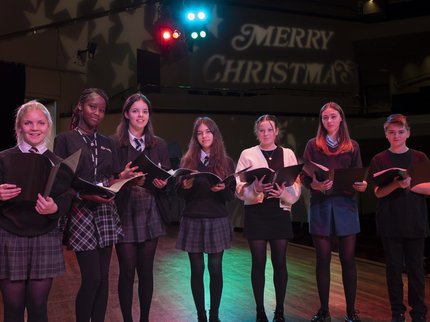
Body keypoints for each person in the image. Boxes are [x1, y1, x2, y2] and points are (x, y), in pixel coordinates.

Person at [54, 88, 123, 322]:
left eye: (102, 110)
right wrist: (84, 195)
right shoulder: (64, 140)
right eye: (93, 107)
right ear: (80, 107)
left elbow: (112, 177)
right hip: (80, 210)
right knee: (92, 278)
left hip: (105, 210)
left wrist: (124, 179)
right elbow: (60, 182)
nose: (97, 112)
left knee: (103, 279)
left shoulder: (107, 142)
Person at [0, 101, 73, 322]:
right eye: (28, 123)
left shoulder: (60, 164)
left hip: (45, 236)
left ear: (48, 127)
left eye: (41, 123)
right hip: (10, 236)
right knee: (12, 308)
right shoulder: (2, 158)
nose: (34, 128)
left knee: (38, 306)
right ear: (19, 126)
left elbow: (67, 198)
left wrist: (55, 207)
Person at [301, 102, 367, 322]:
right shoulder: (313, 145)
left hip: (345, 207)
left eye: (332, 117)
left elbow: (359, 175)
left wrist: (361, 185)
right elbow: (304, 177)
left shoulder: (352, 146)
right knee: (323, 259)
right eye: (325, 118)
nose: (328, 121)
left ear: (341, 119)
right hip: (320, 206)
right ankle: (324, 311)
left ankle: (351, 311)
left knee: (348, 260)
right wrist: (317, 186)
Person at [235, 114, 301, 322]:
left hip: (279, 211)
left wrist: (283, 193)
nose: (266, 133)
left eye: (269, 129)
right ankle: (260, 311)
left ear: (276, 132)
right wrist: (254, 188)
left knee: (280, 262)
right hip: (257, 212)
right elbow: (238, 185)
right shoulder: (248, 154)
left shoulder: (288, 153)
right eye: (262, 130)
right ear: (257, 132)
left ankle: (279, 311)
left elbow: (296, 183)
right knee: (258, 262)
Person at [112, 92, 171, 322]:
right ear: (126, 114)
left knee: (146, 271)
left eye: (145, 111)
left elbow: (167, 178)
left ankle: (144, 319)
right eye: (135, 111)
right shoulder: (115, 144)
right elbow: (109, 179)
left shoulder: (159, 144)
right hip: (125, 209)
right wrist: (122, 176)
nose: (140, 115)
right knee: (127, 271)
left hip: (150, 208)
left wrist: (162, 182)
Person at [367, 114, 429, 322]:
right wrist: (396, 184)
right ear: (386, 134)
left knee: (416, 270)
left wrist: (410, 184)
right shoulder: (379, 159)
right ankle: (397, 312)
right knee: (393, 270)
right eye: (392, 132)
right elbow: (377, 192)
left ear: (408, 133)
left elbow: (429, 188)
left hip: (415, 220)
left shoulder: (419, 157)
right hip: (390, 221)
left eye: (401, 132)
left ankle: (419, 312)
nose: (396, 136)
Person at [176, 116, 235, 322]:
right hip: (193, 218)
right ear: (195, 137)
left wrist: (221, 190)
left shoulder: (226, 162)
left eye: (208, 131)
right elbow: (180, 196)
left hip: (216, 218)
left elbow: (230, 197)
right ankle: (201, 315)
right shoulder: (187, 161)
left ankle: (214, 316)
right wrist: (185, 187)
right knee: (197, 270)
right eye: (200, 133)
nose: (204, 136)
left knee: (215, 269)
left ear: (215, 134)